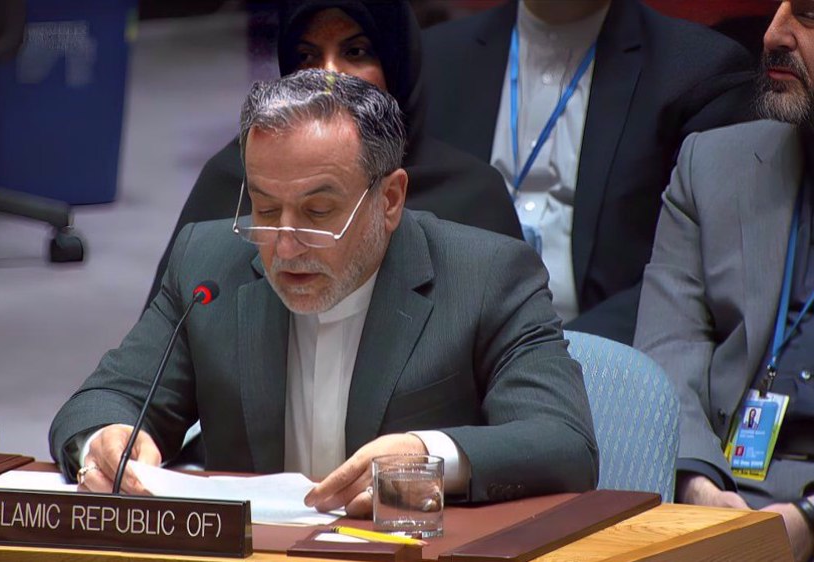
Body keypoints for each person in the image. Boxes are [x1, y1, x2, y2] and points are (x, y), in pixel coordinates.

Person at [50, 69, 598, 517]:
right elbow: (100, 403)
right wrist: (108, 438)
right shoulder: (209, 262)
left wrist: (428, 454)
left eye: (317, 213)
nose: (285, 246)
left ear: (389, 199)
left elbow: (562, 440)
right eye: (265, 210)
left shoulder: (487, 275)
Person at [421, 0, 757, 345]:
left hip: (601, 355)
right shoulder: (432, 57)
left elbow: (694, 274)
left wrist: (548, 355)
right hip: (449, 352)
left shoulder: (697, 70)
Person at [144, 0, 522, 305]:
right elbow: (154, 362)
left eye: (354, 52)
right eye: (307, 57)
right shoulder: (235, 179)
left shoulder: (472, 200)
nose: (329, 77)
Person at [634, 2, 813, 559]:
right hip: (714, 489)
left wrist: (809, 519)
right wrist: (697, 484)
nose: (772, 34)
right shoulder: (711, 165)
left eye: (807, 15)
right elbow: (669, 346)